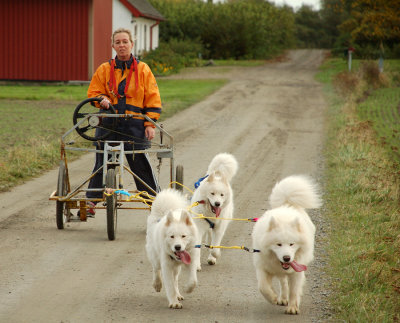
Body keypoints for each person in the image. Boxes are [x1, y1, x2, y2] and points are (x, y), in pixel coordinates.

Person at [84, 28, 162, 216]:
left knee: (140, 163)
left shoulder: (143, 69)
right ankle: (91, 201)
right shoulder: (104, 69)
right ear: (113, 46)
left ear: (132, 44)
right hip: (108, 123)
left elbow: (153, 98)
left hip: (134, 125)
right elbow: (93, 93)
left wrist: (150, 124)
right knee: (102, 162)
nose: (121, 45)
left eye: (125, 41)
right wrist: (101, 99)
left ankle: (156, 205)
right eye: (118, 42)